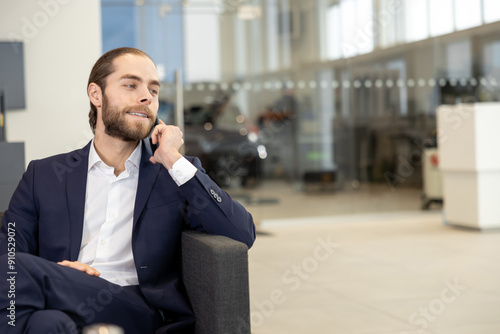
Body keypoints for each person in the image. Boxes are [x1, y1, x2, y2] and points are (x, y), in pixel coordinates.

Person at [0, 47, 256, 334]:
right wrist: (62, 275)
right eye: (131, 85)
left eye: (154, 90)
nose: (147, 96)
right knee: (45, 324)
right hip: (60, 302)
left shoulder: (174, 173)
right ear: (96, 95)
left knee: (18, 273)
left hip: (136, 308)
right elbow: (8, 251)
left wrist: (172, 158)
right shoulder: (44, 175)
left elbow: (240, 233)